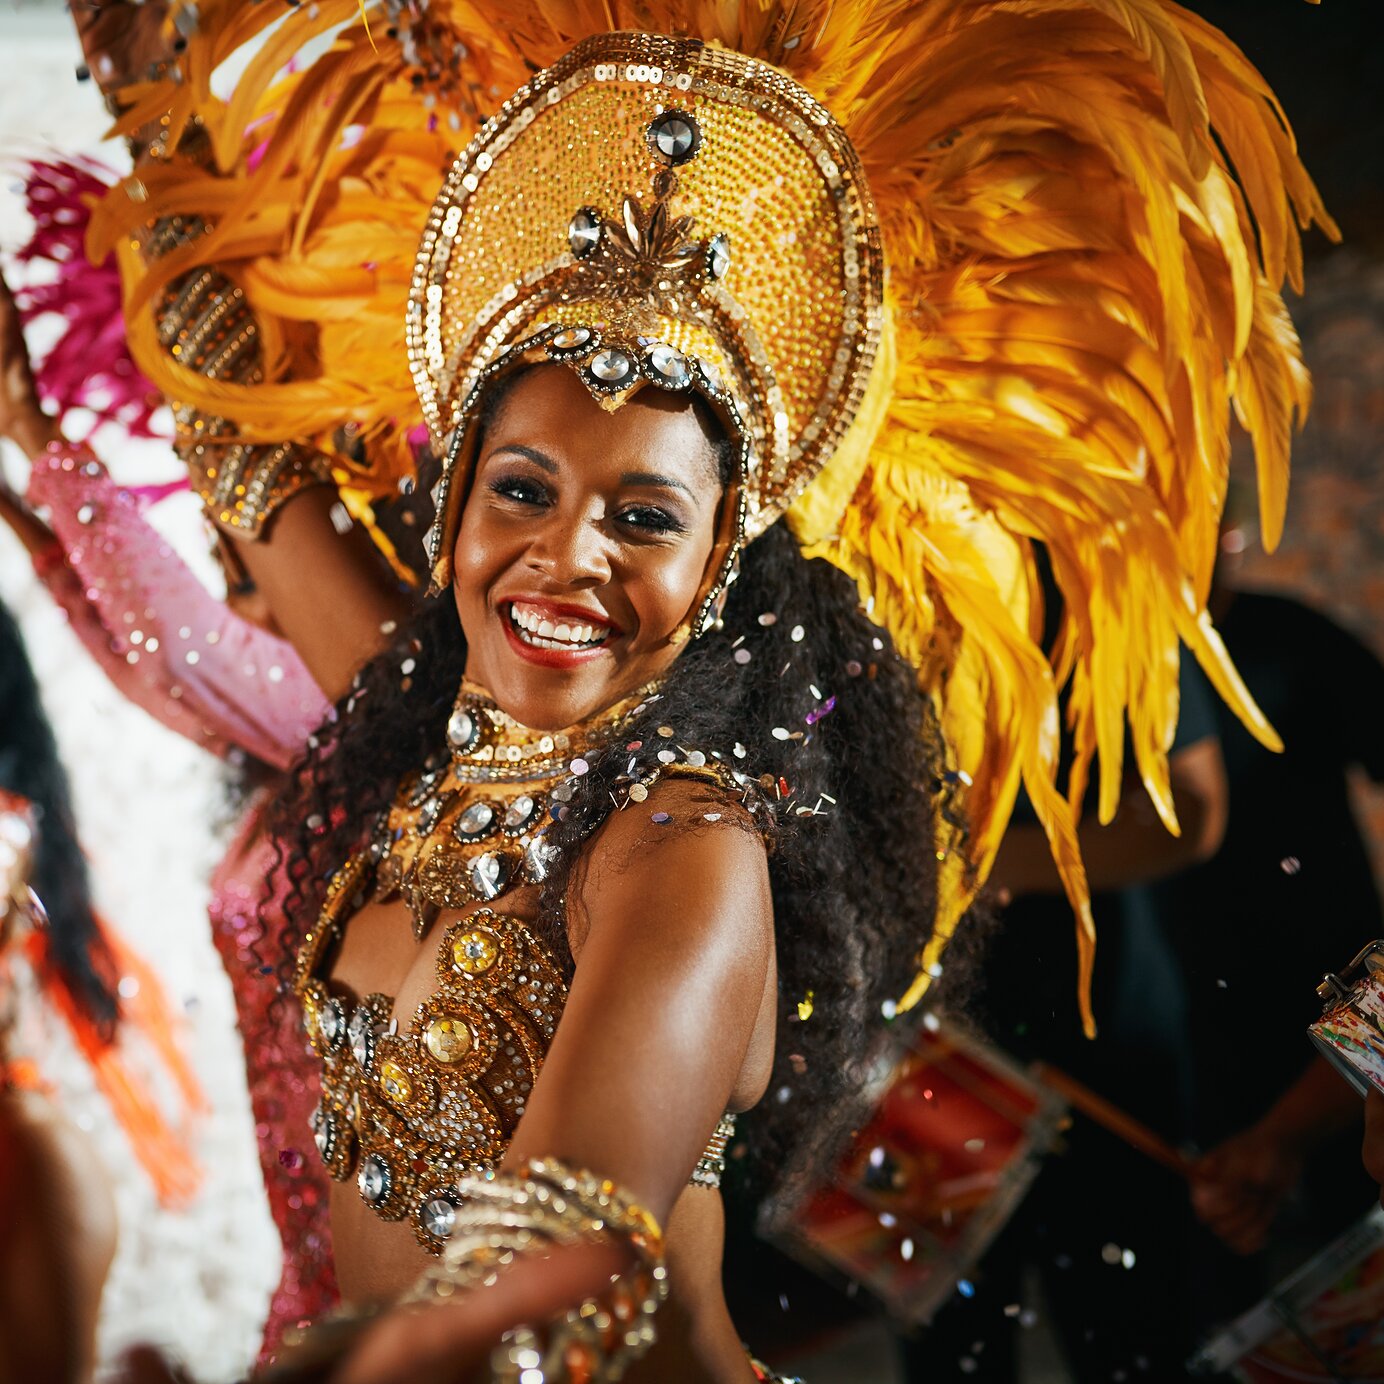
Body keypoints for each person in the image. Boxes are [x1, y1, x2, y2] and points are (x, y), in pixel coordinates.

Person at [74, 1, 1331, 1379]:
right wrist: (146, 102)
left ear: (722, 562)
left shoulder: (684, 849)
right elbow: (250, 469)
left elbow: (564, 1254)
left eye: (646, 517)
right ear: (453, 518)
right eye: (523, 491)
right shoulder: (431, 730)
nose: (568, 556)